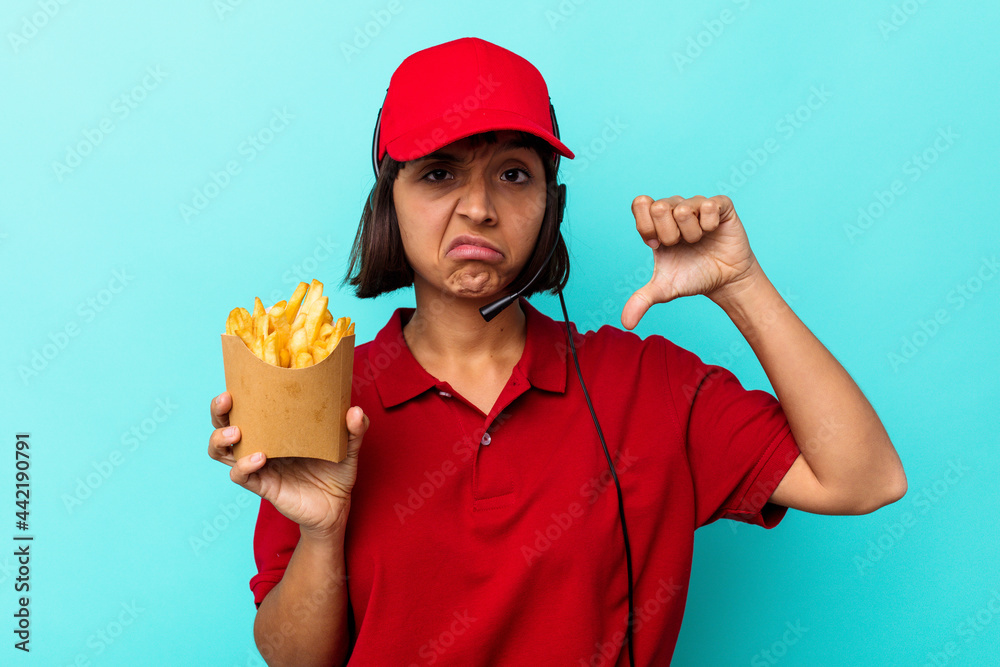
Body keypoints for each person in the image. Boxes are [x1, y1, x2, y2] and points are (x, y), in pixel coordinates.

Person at [207, 37, 907, 666]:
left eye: (513, 174)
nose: (479, 206)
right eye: (439, 173)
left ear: (552, 205)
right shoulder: (325, 392)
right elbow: (294, 659)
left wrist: (741, 284)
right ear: (389, 202)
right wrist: (324, 533)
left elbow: (864, 478)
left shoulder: (648, 383)